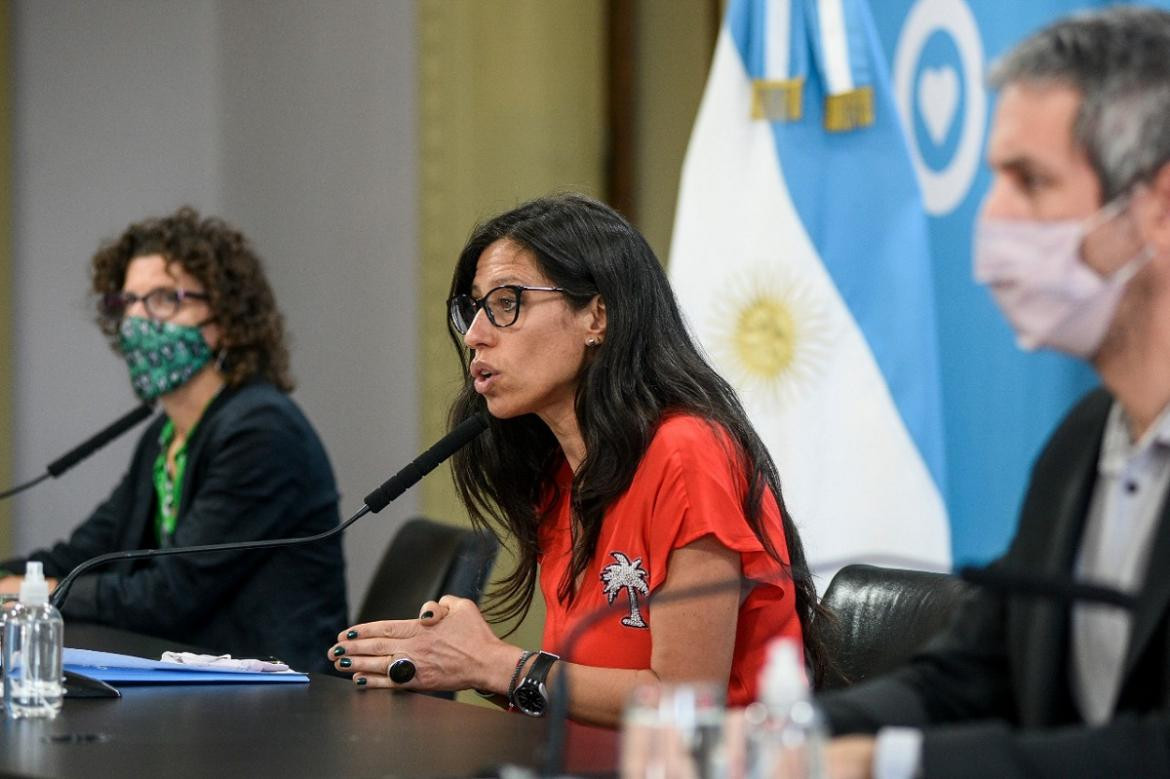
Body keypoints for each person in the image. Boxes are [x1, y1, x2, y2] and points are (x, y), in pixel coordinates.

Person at [820, 6, 1170, 777]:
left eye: (1031, 181)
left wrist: (890, 764)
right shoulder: (1083, 439)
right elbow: (975, 669)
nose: (994, 217)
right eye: (993, 178)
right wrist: (792, 732)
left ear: (1159, 206)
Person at [327, 193, 826, 726]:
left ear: (597, 316)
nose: (475, 335)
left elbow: (685, 702)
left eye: (506, 302)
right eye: (473, 309)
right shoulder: (560, 474)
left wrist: (496, 665)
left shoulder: (688, 453)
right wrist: (464, 662)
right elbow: (582, 685)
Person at [0, 207, 348, 673]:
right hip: (200, 686)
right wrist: (13, 579)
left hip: (274, 701)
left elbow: (166, 597)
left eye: (165, 299)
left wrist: (25, 591)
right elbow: (83, 555)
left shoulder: (261, 432)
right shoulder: (165, 438)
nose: (138, 322)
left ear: (224, 317)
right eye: (128, 303)